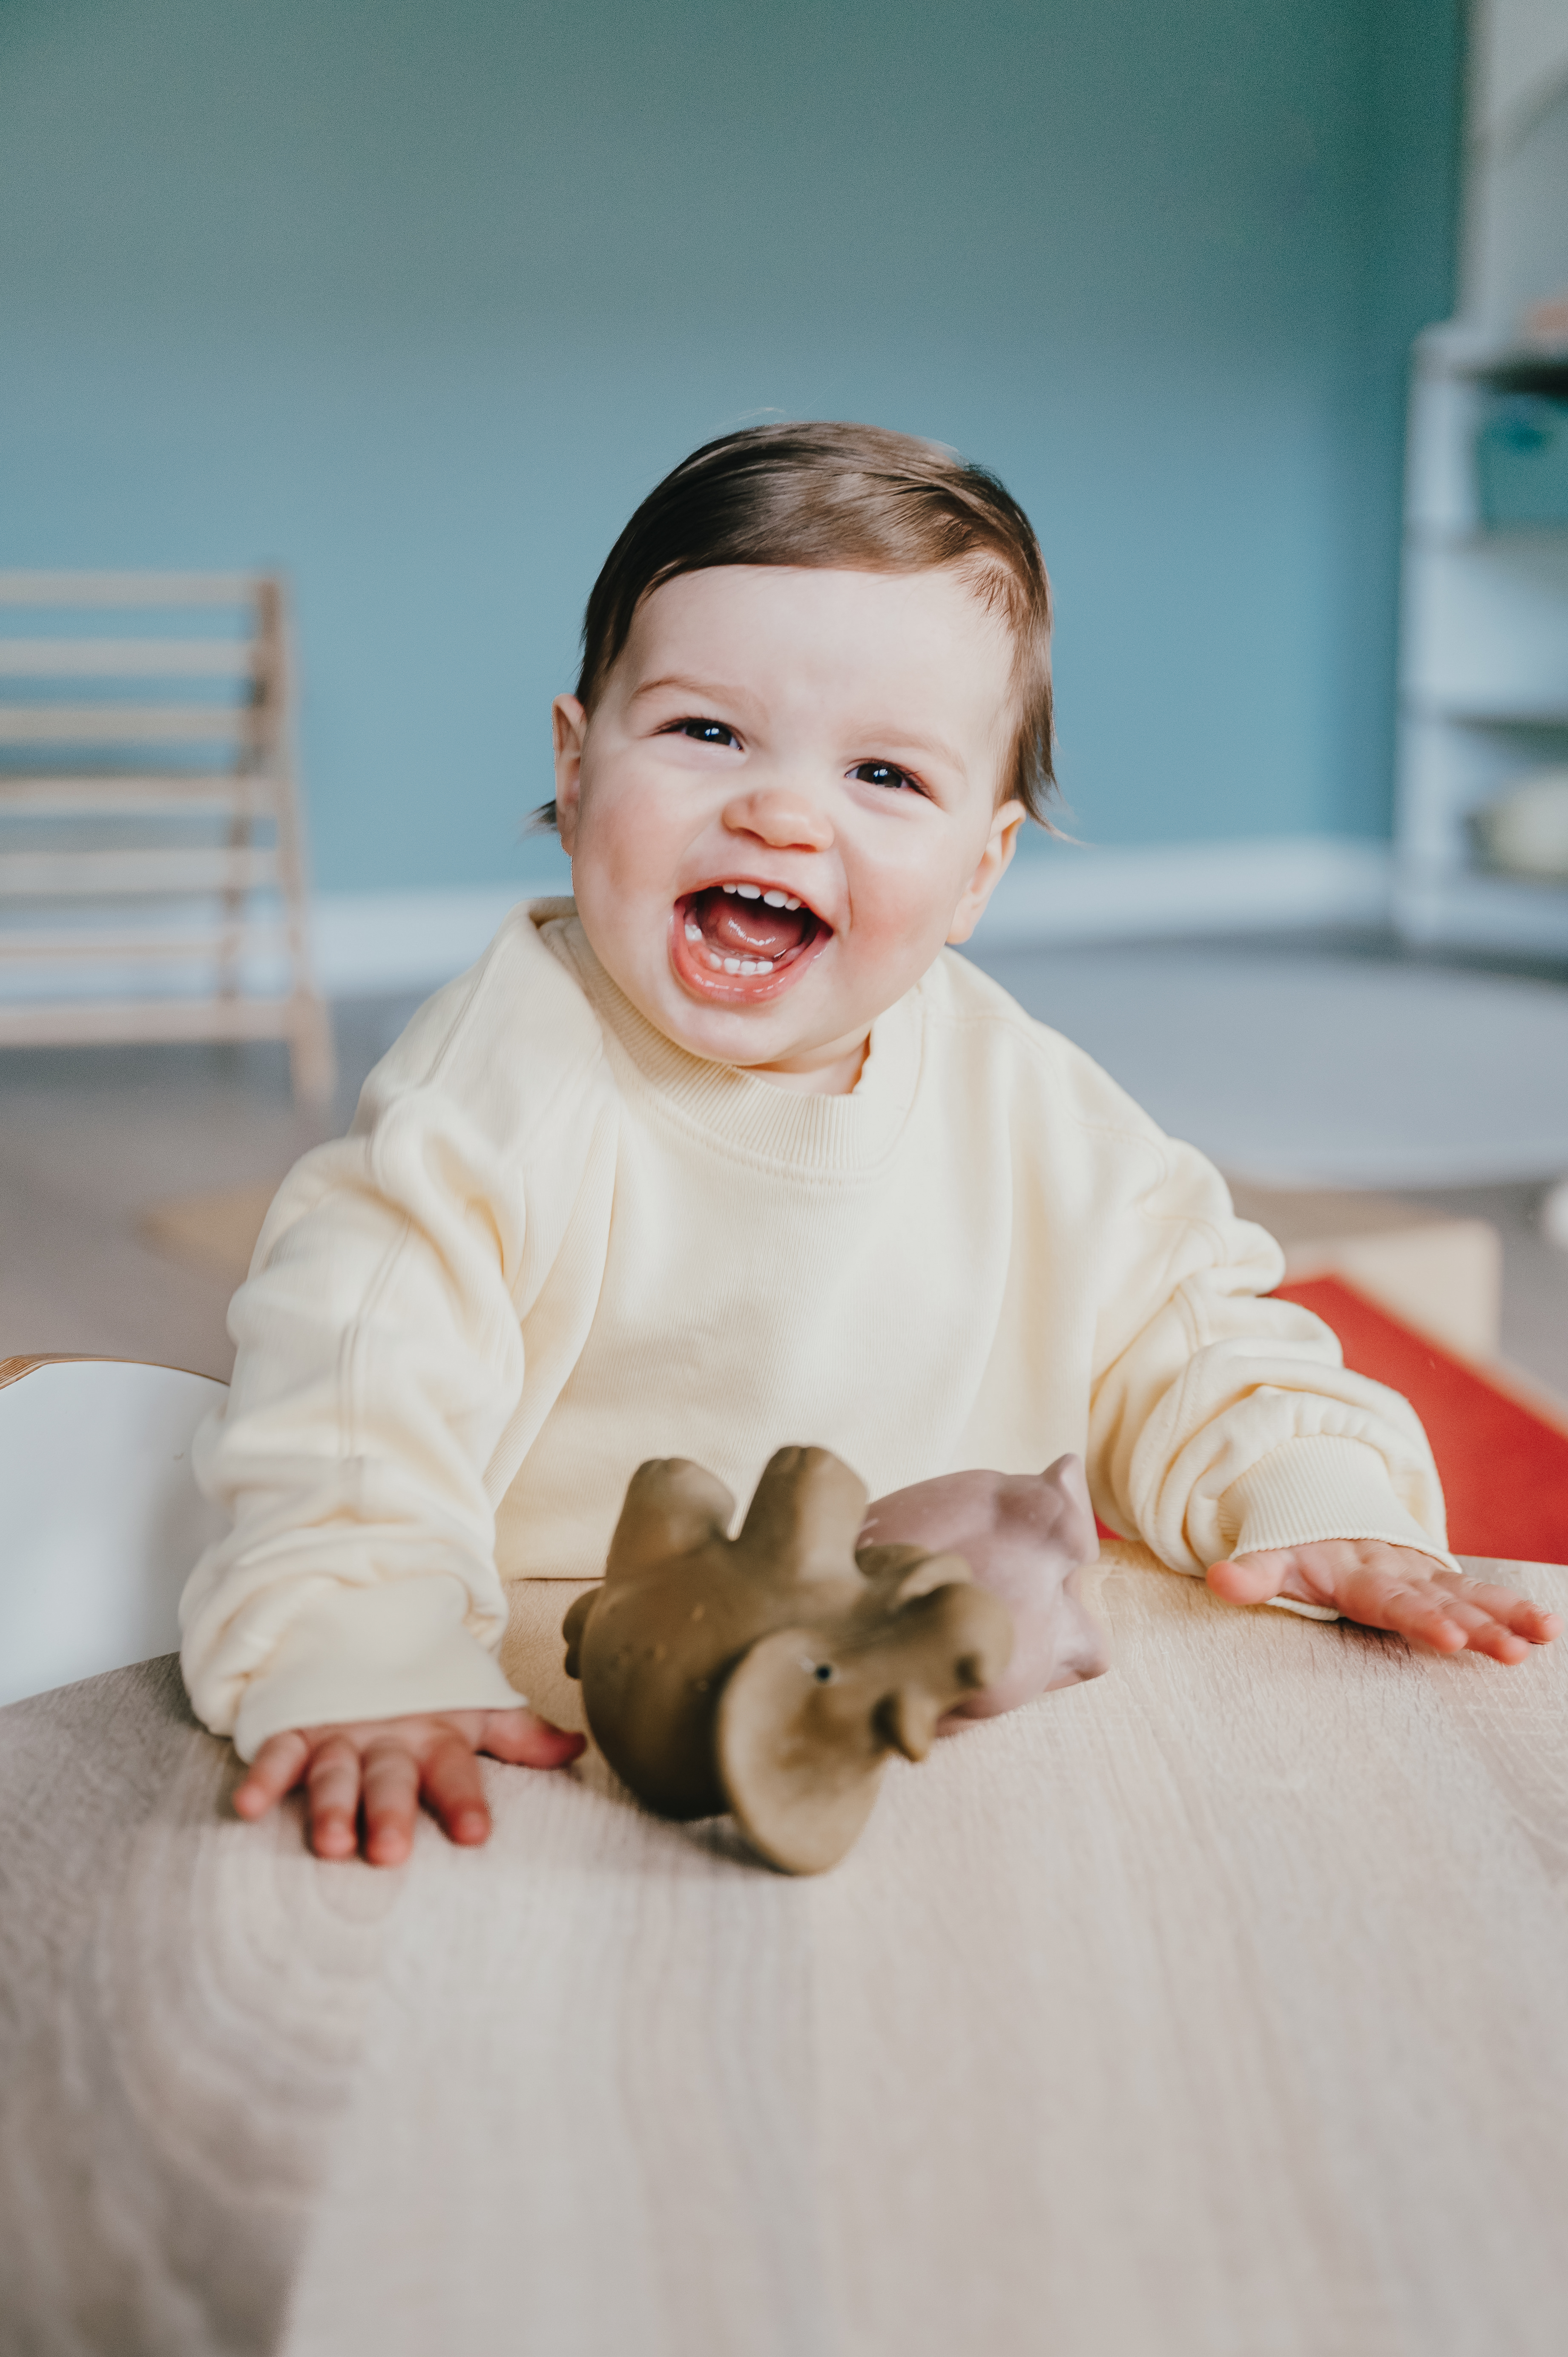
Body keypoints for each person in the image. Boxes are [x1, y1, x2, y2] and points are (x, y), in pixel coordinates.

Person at [182, 422, 1561, 1867]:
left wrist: (1312, 1502)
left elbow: (1189, 1322)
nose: (780, 811)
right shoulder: (501, 1085)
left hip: (928, 1676)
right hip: (569, 1678)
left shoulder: (1017, 1092)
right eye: (705, 732)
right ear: (577, 770)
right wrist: (368, 1652)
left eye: (885, 777)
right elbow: (352, 1385)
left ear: (979, 868)